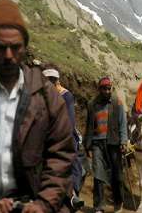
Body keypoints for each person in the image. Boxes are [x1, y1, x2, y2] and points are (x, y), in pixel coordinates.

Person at [0, 0, 75, 212]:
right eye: (1, 47)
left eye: (15, 47)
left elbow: (61, 154)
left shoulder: (46, 96)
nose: (9, 55)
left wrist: (43, 203)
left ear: (25, 47)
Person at [42, 67, 84, 210]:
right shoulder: (42, 96)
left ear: (57, 80)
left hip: (65, 135)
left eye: (53, 80)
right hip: (46, 135)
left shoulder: (66, 96)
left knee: (73, 164)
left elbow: (70, 121)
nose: (50, 83)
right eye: (48, 80)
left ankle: (73, 195)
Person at [84, 77, 127, 213]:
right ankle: (98, 207)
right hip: (97, 143)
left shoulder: (117, 103)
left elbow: (122, 123)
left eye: (109, 88)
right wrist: (87, 145)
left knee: (117, 175)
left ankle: (118, 202)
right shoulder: (92, 104)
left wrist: (124, 141)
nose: (107, 91)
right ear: (99, 89)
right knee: (98, 175)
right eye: (104, 89)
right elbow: (89, 126)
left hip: (113, 143)